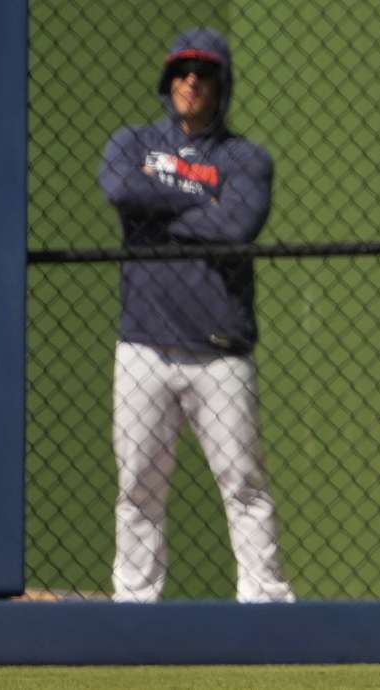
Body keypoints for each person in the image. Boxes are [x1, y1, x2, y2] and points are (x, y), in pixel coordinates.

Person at [98, 28, 295, 604]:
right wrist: (200, 201)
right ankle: (134, 605)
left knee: (244, 483)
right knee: (138, 487)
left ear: (221, 84)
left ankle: (266, 603)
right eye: (182, 71)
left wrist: (157, 213)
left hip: (220, 349)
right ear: (168, 81)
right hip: (143, 347)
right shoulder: (132, 142)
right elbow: (118, 189)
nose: (192, 82)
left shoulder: (246, 157)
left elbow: (236, 227)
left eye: (204, 73)